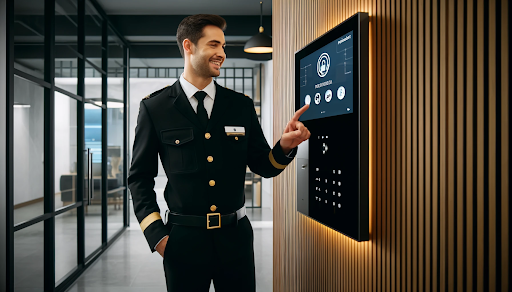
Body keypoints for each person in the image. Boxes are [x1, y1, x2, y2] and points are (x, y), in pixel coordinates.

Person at [128, 14, 310, 292]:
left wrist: (285, 146)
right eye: (214, 45)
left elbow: (264, 165)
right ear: (188, 46)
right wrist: (157, 236)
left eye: (224, 46)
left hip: (235, 239)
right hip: (183, 241)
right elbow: (139, 178)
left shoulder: (240, 105)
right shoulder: (155, 108)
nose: (222, 54)